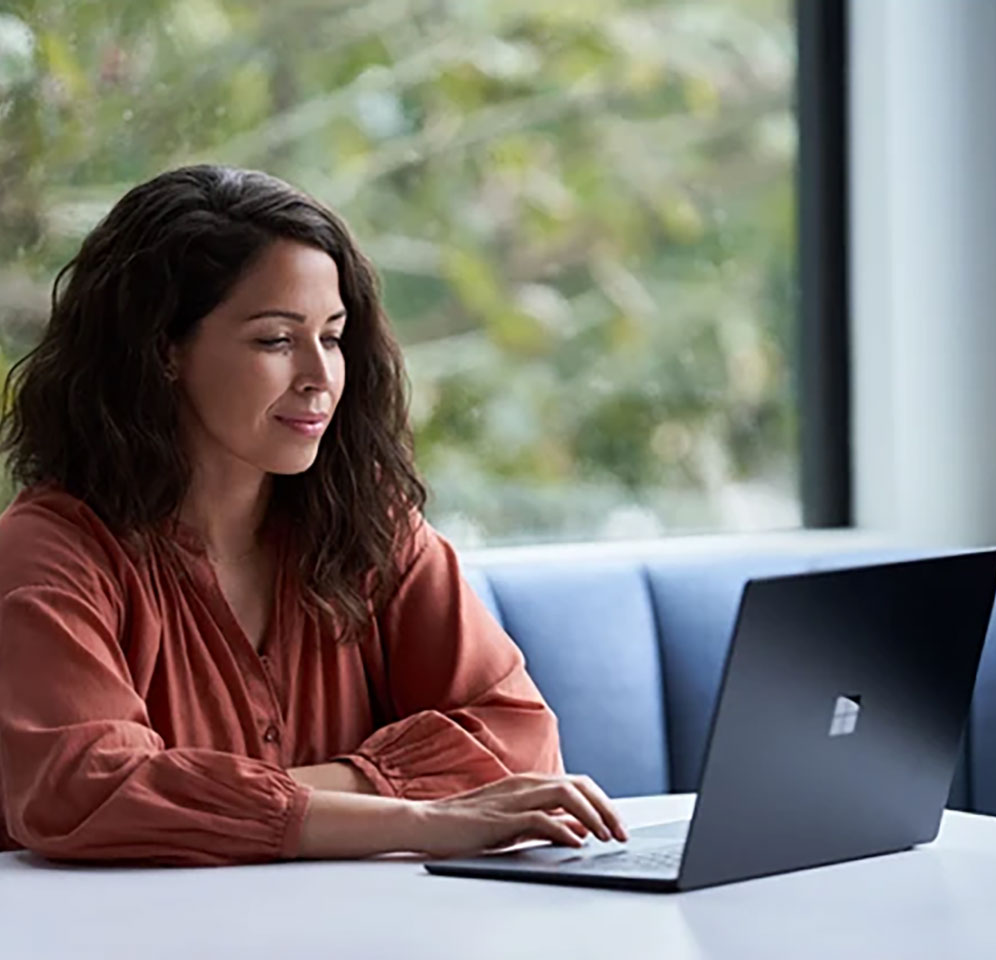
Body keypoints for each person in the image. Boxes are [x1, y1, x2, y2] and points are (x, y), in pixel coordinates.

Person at [0, 164, 627, 867]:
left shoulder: (369, 526)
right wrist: (418, 816)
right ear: (162, 351)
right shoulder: (50, 552)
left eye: (331, 336)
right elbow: (86, 793)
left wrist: (242, 800)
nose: (320, 375)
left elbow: (517, 737)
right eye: (275, 339)